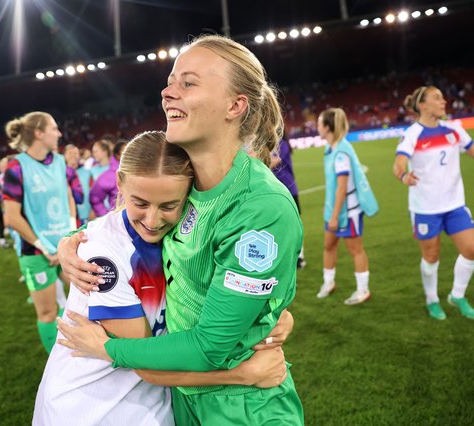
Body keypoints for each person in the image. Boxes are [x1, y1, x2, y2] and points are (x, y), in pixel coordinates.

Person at [56, 34, 304, 425]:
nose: (167, 92)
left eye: (188, 83)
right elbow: (140, 217)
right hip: (182, 401)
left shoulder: (260, 208)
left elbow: (209, 347)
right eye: (171, 81)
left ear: (235, 105)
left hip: (241, 406)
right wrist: (75, 241)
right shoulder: (189, 187)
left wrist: (109, 349)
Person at [34, 131, 288, 426]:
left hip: (151, 402)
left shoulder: (188, 236)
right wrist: (244, 375)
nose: (153, 221)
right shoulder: (103, 258)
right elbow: (145, 362)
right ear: (120, 185)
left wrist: (266, 317)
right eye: (139, 203)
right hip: (94, 409)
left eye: (168, 206)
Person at [394, 85, 474, 320]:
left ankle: (457, 295)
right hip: (425, 208)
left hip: (454, 204)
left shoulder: (453, 129)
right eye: (437, 98)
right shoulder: (413, 133)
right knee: (431, 256)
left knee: (472, 249)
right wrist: (405, 175)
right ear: (422, 105)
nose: (443, 101)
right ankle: (432, 300)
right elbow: (399, 162)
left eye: (443, 97)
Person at [2, 111, 77, 353]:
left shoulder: (59, 161)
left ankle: (78, 351)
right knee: (47, 312)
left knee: (86, 299)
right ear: (39, 133)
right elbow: (11, 217)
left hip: (65, 246)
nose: (59, 133)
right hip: (36, 252)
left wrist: (72, 234)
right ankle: (56, 363)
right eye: (54, 128)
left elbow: (68, 197)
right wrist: (45, 248)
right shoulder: (16, 167)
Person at [316, 108, 379, 305]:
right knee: (328, 245)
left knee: (355, 249)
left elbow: (342, 188)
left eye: (319, 123)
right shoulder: (333, 149)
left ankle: (363, 290)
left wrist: (334, 216)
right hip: (335, 210)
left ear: (327, 127)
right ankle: (329, 283)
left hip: (347, 211)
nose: (317, 127)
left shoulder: (341, 153)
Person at [271, 135, 306, 269]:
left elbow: (276, 160)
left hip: (289, 189)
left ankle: (300, 256)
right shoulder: (272, 142)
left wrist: (256, 163)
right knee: (281, 225)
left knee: (294, 225)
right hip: (278, 191)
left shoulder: (282, 143)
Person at [89, 139, 119, 217]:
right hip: (99, 212)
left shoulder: (116, 168)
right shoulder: (92, 170)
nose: (93, 154)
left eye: (96, 151)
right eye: (93, 152)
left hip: (115, 210)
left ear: (104, 151)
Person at [64, 144, 89, 225]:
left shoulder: (87, 172)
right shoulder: (60, 173)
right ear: (64, 156)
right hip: (67, 216)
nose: (73, 156)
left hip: (86, 215)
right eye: (70, 153)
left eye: (75, 153)